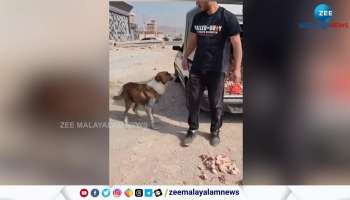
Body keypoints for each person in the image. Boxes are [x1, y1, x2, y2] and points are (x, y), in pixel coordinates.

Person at [182, 0, 242, 146]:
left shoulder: (228, 17)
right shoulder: (198, 17)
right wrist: (185, 56)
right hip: (197, 67)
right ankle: (192, 129)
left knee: (216, 103)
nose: (196, 3)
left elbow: (236, 44)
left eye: (198, 0)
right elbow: (193, 40)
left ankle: (215, 131)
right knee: (193, 101)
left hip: (217, 68)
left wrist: (237, 69)